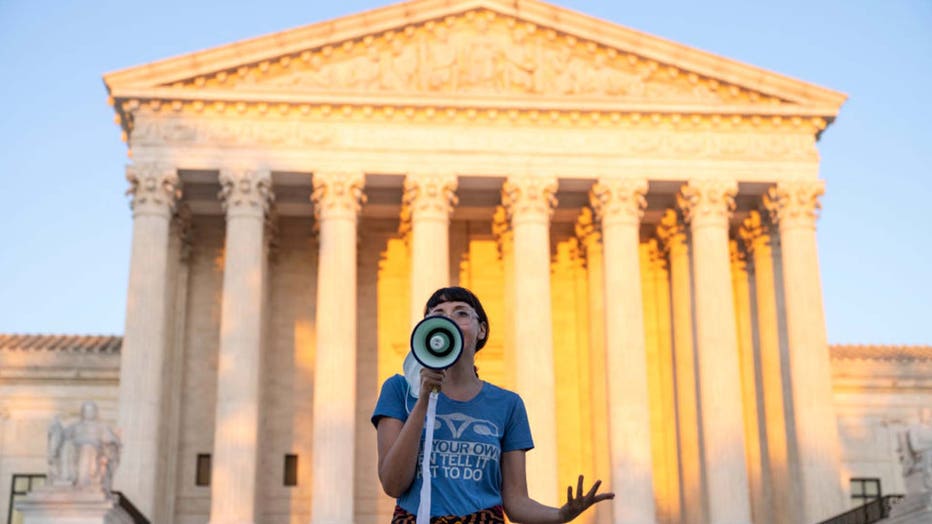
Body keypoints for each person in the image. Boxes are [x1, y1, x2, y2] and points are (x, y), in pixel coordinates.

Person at [372, 286, 613, 524]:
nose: (450, 320)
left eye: (461, 313)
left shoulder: (508, 405)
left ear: (481, 330)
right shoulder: (400, 390)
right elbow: (393, 484)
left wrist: (560, 515)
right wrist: (424, 398)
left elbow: (516, 502)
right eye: (438, 314)